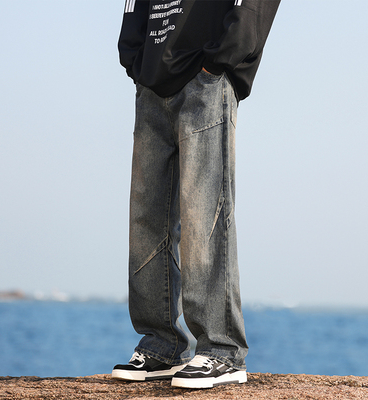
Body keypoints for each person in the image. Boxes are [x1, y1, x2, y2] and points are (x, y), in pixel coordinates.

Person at [111, 0, 280, 389]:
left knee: (205, 213)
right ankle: (161, 344)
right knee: (146, 219)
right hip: (152, 78)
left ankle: (222, 349)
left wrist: (223, 59)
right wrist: (134, 56)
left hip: (206, 75)